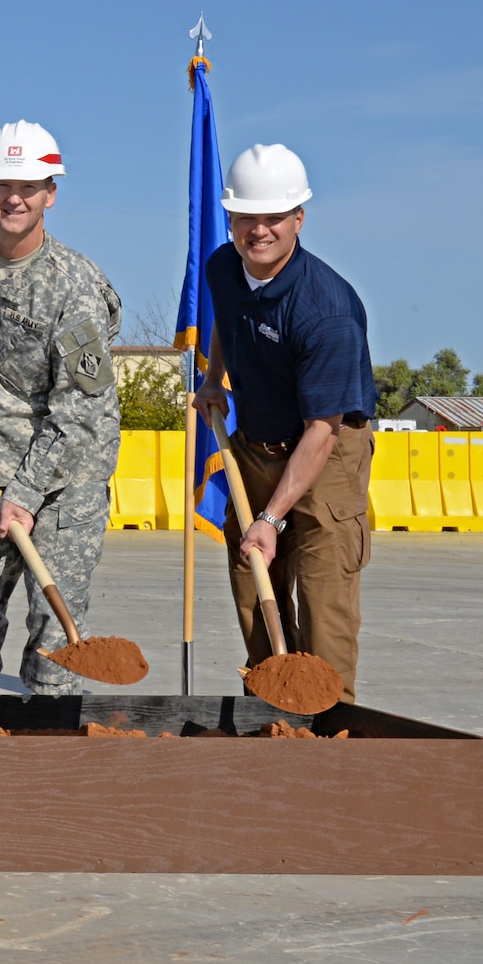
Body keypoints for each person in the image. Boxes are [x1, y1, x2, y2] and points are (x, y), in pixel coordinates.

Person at [0, 121, 121, 695]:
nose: (15, 197)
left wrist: (27, 495)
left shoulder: (74, 290)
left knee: (53, 635)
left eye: (29, 186)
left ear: (50, 194)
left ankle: (50, 748)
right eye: (2, 183)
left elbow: (81, 413)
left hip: (64, 480)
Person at [192, 144, 374, 703]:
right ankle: (271, 712)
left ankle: (328, 728)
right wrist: (213, 378)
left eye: (274, 217)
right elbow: (226, 315)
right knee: (255, 587)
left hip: (327, 454)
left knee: (323, 608)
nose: (259, 230)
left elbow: (322, 431)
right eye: (247, 216)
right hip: (255, 445)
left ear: (299, 218)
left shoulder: (326, 312)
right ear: (230, 218)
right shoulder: (223, 266)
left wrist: (272, 516)